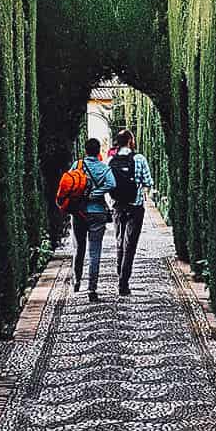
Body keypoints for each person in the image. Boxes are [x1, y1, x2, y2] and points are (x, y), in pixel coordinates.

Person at [109, 127, 153, 296]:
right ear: (130, 141)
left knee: (119, 241)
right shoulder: (139, 158)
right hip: (135, 206)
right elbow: (148, 181)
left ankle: (120, 272)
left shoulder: (111, 160)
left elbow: (108, 184)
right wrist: (141, 189)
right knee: (130, 245)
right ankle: (123, 282)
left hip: (118, 206)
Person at [70, 136, 116, 301]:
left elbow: (68, 182)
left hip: (79, 212)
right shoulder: (104, 168)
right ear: (98, 152)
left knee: (79, 248)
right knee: (94, 251)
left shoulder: (78, 165)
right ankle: (92, 290)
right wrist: (95, 194)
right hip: (97, 212)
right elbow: (112, 184)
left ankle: (76, 281)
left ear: (85, 150)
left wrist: (82, 195)